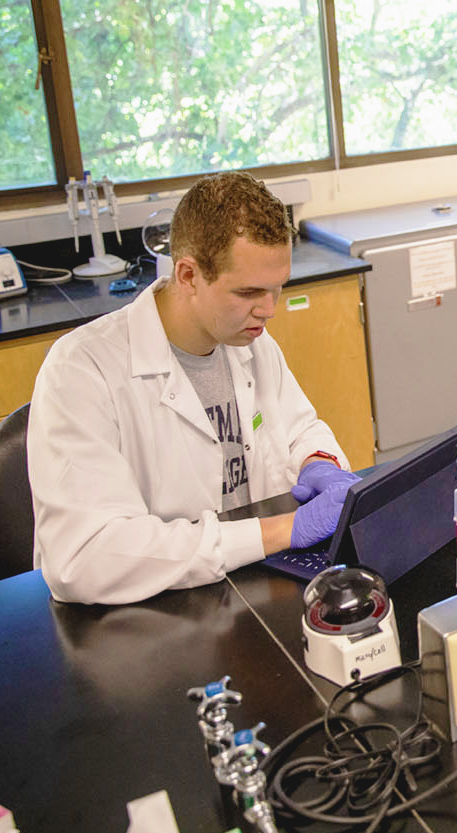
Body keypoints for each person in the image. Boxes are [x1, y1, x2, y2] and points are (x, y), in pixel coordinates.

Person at [29, 171, 361, 605]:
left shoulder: (248, 341)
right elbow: (84, 558)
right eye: (248, 291)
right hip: (145, 614)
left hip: (246, 586)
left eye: (277, 290)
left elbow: (298, 427)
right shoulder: (82, 370)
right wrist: (280, 531)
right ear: (187, 275)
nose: (269, 310)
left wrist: (318, 463)